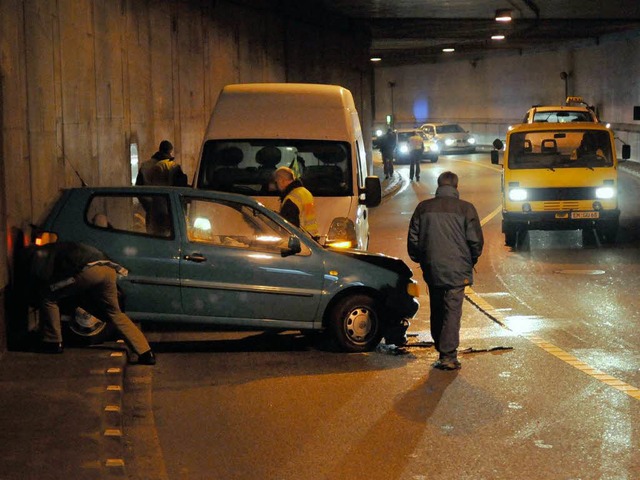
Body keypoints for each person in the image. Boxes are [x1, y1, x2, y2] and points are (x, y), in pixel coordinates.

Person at [22, 241, 156, 365]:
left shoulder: (40, 255)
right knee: (115, 313)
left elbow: (43, 277)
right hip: (108, 269)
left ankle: (52, 342)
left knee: (48, 297)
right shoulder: (60, 247)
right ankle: (145, 352)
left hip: (87, 270)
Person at [407, 171, 484, 370]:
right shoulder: (466, 209)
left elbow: (413, 240)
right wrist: (470, 260)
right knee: (452, 310)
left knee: (437, 306)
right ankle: (448, 355)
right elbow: (475, 241)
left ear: (438, 186)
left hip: (432, 267)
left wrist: (422, 259)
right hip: (458, 268)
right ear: (456, 187)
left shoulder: (423, 208)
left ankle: (441, 345)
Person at [274, 166, 319, 237]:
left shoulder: (291, 199)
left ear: (281, 180)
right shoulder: (305, 192)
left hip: (301, 240)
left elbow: (289, 227)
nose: (276, 186)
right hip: (312, 237)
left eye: (276, 182)